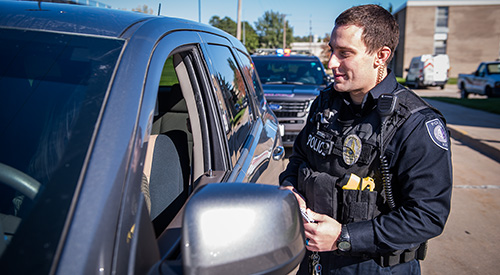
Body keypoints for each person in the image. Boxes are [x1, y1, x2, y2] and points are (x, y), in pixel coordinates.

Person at [279, 4, 452, 274]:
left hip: (375, 267)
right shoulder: (325, 103)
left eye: (344, 53)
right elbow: (299, 157)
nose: (331, 63)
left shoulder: (416, 123)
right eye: (331, 50)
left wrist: (344, 237)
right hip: (315, 262)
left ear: (380, 56)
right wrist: (290, 188)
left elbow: (427, 216)